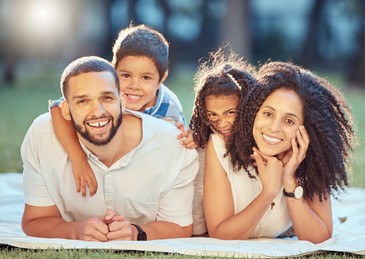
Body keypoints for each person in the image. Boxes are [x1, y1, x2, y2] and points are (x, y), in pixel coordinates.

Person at [21, 56, 199, 241]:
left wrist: (135, 233)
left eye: (106, 98)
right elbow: (35, 220)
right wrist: (76, 230)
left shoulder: (173, 145)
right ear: (66, 110)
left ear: (122, 101)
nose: (97, 111)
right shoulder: (42, 137)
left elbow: (179, 226)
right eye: (83, 101)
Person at [204, 61, 355, 243]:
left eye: (289, 121)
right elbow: (220, 234)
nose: (274, 128)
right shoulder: (221, 146)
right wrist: (269, 191)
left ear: (306, 129)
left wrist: (290, 182)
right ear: (254, 111)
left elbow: (319, 238)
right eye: (268, 114)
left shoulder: (310, 160)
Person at [48, 24, 194, 198]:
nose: (134, 86)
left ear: (162, 78)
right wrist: (78, 159)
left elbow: (178, 145)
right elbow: (57, 109)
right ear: (113, 70)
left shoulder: (169, 108)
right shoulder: (103, 88)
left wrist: (188, 136)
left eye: (146, 78)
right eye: (125, 75)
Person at [188, 47, 256, 236]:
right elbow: (200, 226)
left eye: (230, 113)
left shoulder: (266, 136)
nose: (222, 123)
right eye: (212, 115)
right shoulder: (211, 141)